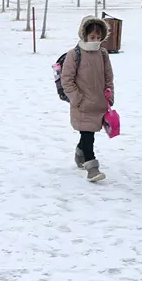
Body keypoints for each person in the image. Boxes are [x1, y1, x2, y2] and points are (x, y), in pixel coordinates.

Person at [61, 16, 115, 183]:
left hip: (98, 102)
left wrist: (110, 94)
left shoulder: (103, 54)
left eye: (99, 37)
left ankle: (80, 153)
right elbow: (67, 79)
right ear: (84, 35)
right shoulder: (74, 54)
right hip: (82, 104)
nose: (95, 40)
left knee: (89, 132)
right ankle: (92, 168)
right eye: (92, 37)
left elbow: (108, 76)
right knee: (88, 134)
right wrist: (77, 98)